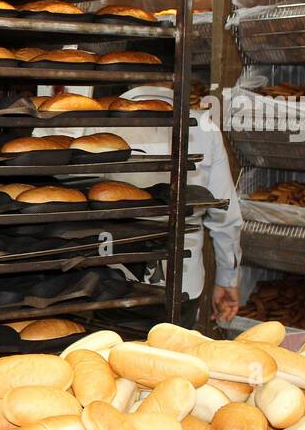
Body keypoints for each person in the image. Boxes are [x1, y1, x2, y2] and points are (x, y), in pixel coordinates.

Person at [101, 85, 242, 328]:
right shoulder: (204, 126)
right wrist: (227, 279)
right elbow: (225, 216)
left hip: (113, 277)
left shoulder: (99, 123)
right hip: (183, 281)